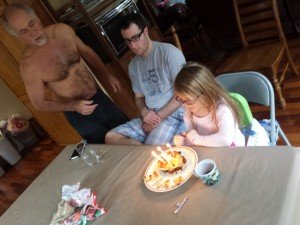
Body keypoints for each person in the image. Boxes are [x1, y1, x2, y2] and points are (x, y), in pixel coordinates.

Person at [2, 3, 128, 143]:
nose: (33, 32)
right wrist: (73, 106)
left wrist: (107, 75)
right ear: (18, 37)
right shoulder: (29, 66)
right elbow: (38, 103)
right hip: (78, 114)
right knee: (109, 151)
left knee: (129, 133)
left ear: (36, 18)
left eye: (32, 23)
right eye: (24, 31)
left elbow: (87, 52)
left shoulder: (62, 31)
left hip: (99, 98)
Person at [105, 13, 186, 145]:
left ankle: (146, 154)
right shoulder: (133, 65)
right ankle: (144, 154)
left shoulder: (169, 53)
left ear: (146, 31)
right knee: (111, 137)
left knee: (150, 150)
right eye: (127, 41)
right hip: (149, 115)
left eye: (135, 38)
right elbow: (139, 97)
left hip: (174, 114)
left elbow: (183, 95)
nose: (132, 45)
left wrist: (157, 119)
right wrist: (144, 112)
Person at [173, 62, 245, 147]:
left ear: (206, 94)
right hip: (209, 149)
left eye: (188, 101)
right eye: (181, 100)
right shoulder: (189, 112)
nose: (184, 105)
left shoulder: (221, 110)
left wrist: (195, 138)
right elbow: (192, 136)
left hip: (232, 149)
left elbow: (225, 140)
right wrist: (185, 141)